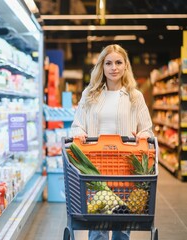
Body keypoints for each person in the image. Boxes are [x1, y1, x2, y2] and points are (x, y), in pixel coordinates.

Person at [70, 44, 153, 240]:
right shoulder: (90, 95)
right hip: (96, 165)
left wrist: (142, 135)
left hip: (124, 165)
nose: (113, 67)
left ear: (125, 66)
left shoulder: (135, 96)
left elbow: (147, 128)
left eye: (118, 62)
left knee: (122, 221)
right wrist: (80, 133)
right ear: (102, 66)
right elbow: (77, 125)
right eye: (108, 63)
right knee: (97, 221)